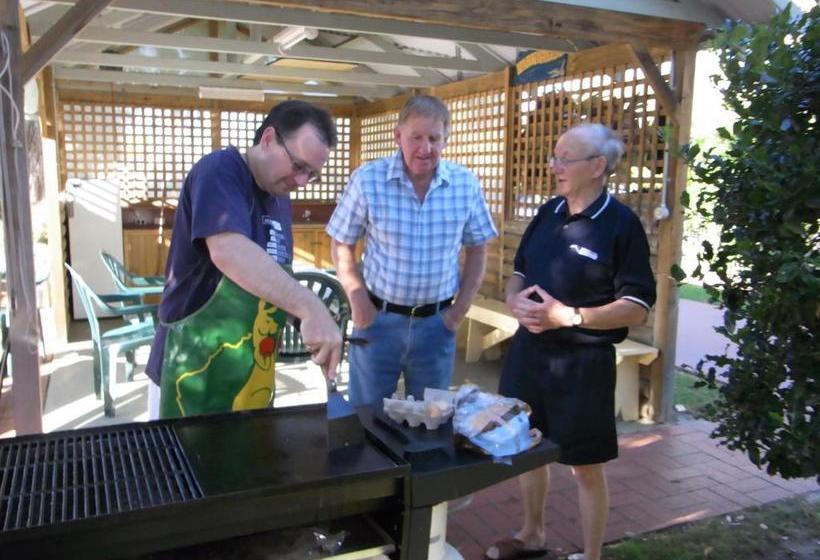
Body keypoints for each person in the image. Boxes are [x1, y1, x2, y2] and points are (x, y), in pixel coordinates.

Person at [485, 123, 656, 560]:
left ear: (597, 166)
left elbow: (636, 305)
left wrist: (572, 316)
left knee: (585, 466)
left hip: (583, 363)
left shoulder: (621, 226)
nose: (553, 166)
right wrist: (512, 297)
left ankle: (593, 555)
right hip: (530, 355)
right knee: (526, 448)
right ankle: (532, 535)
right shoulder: (549, 213)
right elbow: (521, 269)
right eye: (554, 156)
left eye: (564, 158)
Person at [145, 100, 343, 419]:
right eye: (298, 165)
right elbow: (229, 250)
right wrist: (309, 305)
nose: (303, 182)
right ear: (268, 139)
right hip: (190, 372)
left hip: (249, 377)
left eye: (312, 175)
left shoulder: (278, 200)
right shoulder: (220, 171)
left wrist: (306, 321)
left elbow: (271, 280)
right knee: (180, 467)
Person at [327, 95, 497, 406]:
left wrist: (460, 310)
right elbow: (341, 242)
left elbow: (477, 249)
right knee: (368, 417)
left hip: (437, 324)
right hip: (378, 321)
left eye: (434, 138)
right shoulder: (368, 180)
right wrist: (358, 299)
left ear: (446, 139)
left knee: (429, 421)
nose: (425, 148)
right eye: (415, 137)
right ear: (398, 136)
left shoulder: (465, 184)